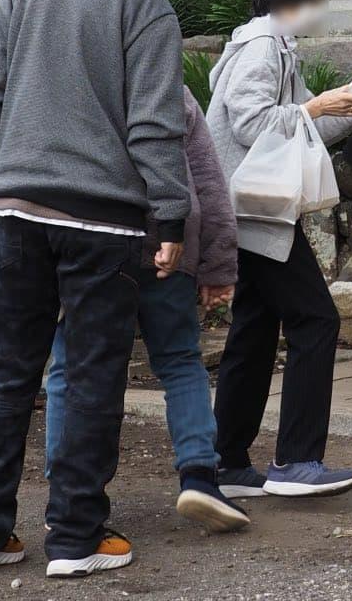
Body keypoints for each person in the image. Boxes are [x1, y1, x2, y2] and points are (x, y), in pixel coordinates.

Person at [0, 0, 189, 579]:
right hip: (103, 219)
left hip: (18, 208)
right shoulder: (146, 4)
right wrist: (169, 215)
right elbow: (154, 126)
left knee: (9, 371)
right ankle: (76, 538)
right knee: (89, 375)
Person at [207, 0, 352, 501]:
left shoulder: (274, 43)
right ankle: (297, 459)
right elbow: (253, 121)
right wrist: (315, 109)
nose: (324, 5)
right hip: (254, 209)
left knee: (253, 330)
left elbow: (306, 125)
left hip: (248, 206)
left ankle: (227, 463)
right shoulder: (262, 47)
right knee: (315, 319)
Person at [45, 87, 246, 534]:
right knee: (179, 362)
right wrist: (218, 263)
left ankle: (65, 483)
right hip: (168, 242)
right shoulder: (170, 88)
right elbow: (208, 179)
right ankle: (199, 475)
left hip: (88, 242)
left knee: (68, 366)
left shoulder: (71, 78)